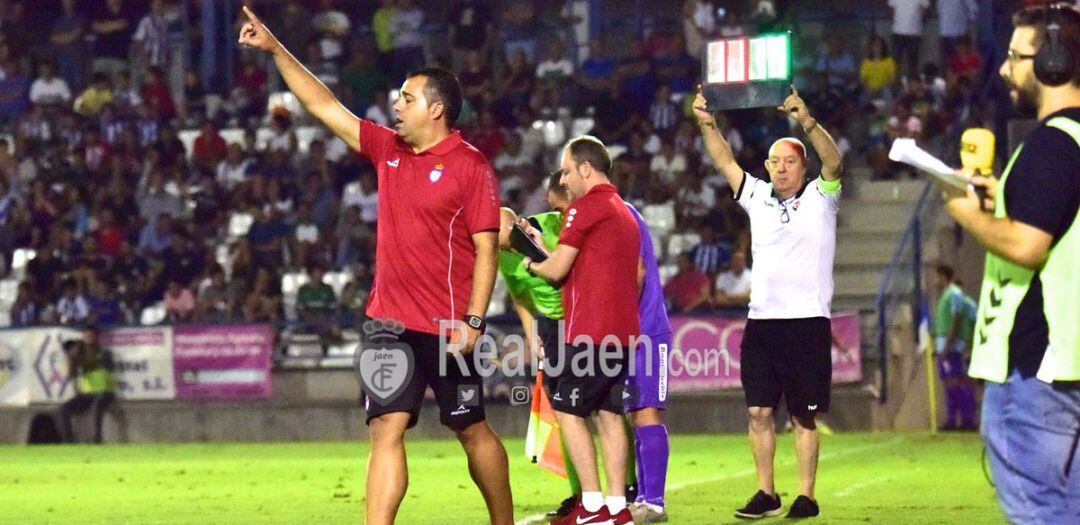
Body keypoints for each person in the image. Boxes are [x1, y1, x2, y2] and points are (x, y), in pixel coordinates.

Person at [238, 7, 511, 525]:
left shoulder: (470, 165)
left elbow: (487, 247)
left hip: (449, 326)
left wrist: (475, 320)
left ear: (436, 109)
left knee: (471, 427)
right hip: (387, 322)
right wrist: (276, 50)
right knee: (386, 427)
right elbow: (324, 105)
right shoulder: (388, 148)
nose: (397, 105)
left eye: (407, 98)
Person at [937, 6, 1080, 522]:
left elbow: (1026, 245)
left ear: (1054, 64)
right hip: (1071, 362)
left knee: (1040, 514)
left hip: (1039, 365)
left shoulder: (1051, 143)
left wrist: (965, 214)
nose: (1003, 69)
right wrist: (1007, 194)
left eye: (1016, 57)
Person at [694, 83, 843, 519]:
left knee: (803, 416)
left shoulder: (821, 198)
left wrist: (807, 121)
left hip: (807, 322)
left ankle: (807, 496)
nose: (780, 168)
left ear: (803, 167)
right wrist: (707, 123)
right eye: (775, 162)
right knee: (758, 412)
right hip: (762, 323)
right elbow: (723, 160)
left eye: (789, 162)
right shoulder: (757, 196)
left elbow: (834, 161)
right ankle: (766, 492)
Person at [521, 136, 639, 525]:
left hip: (590, 333)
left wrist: (533, 264)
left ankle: (591, 507)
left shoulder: (585, 208)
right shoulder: (622, 210)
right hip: (621, 333)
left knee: (567, 408)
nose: (565, 180)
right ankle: (618, 508)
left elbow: (555, 272)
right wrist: (544, 249)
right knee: (608, 415)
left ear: (586, 169)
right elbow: (581, 268)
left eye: (568, 171)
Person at [931, 264, 977, 431]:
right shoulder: (946, 295)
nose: (934, 280)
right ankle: (955, 420)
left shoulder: (954, 294)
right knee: (950, 382)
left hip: (951, 347)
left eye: (936, 276)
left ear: (943, 276)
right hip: (945, 345)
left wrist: (948, 346)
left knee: (956, 382)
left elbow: (956, 319)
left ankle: (965, 420)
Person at [59, 324, 116, 444]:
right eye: (85, 336)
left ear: (96, 337)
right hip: (87, 394)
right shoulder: (79, 354)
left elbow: (106, 366)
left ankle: (97, 441)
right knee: (62, 409)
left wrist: (82, 360)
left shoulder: (104, 353)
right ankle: (69, 442)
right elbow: (71, 375)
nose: (88, 339)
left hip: (105, 392)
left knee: (97, 406)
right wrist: (71, 358)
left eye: (90, 336)